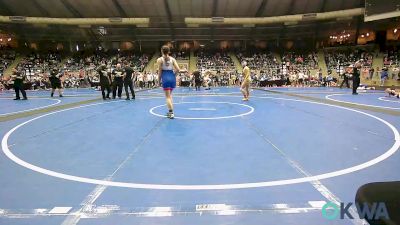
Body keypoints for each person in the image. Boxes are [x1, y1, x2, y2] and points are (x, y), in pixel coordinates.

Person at [157, 45, 186, 119]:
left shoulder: (159, 60)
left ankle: (171, 112)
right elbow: (178, 70)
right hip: (172, 76)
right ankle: (171, 111)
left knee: (167, 97)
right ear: (169, 51)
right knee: (170, 96)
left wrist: (158, 81)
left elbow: (160, 72)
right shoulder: (172, 59)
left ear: (161, 51)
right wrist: (174, 76)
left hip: (165, 77)